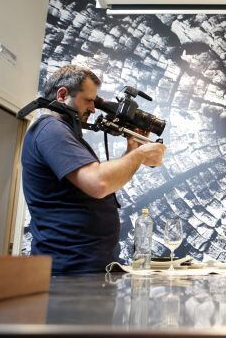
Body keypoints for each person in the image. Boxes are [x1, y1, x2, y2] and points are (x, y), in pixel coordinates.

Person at [21, 65, 166, 275]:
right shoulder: (51, 130)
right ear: (62, 94)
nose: (93, 108)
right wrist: (141, 154)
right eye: (89, 100)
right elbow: (98, 183)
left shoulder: (63, 133)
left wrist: (132, 150)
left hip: (82, 267)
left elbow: (101, 178)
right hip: (69, 271)